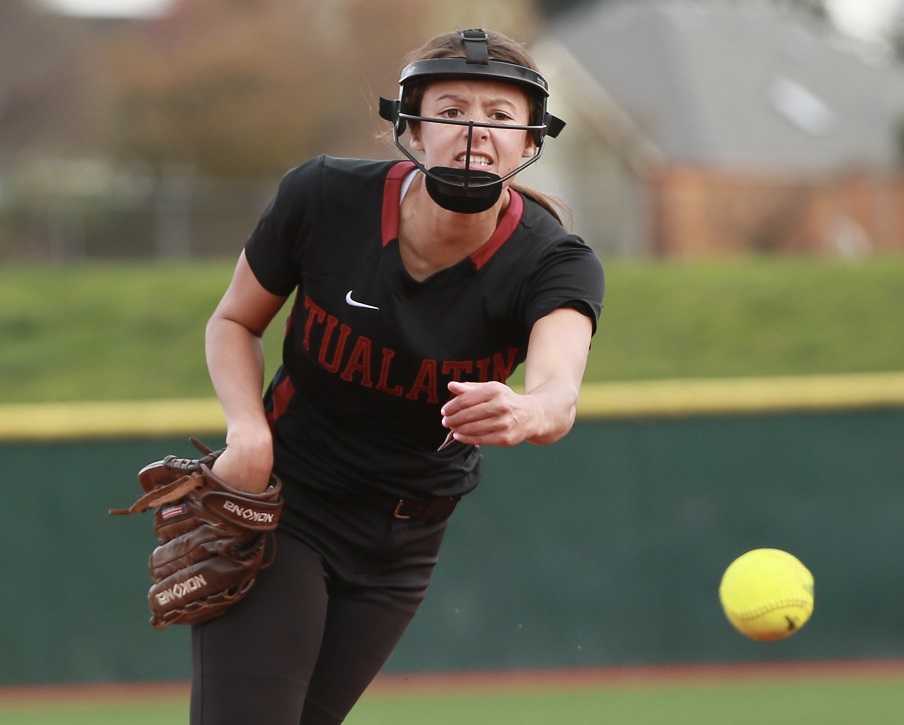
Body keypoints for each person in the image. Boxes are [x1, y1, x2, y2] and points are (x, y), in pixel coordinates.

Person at [195, 28, 604, 725]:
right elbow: (233, 322)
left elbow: (557, 390)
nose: (474, 131)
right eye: (451, 109)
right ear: (410, 125)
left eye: (500, 116)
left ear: (531, 140)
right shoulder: (324, 198)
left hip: (403, 541)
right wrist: (246, 427)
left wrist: (525, 411)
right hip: (289, 502)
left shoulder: (553, 261)